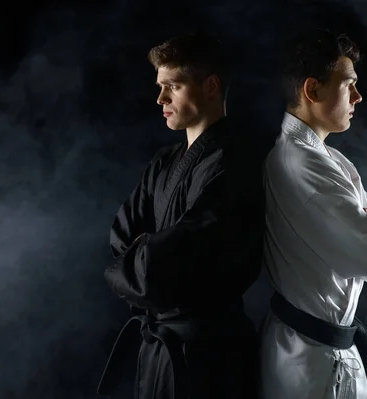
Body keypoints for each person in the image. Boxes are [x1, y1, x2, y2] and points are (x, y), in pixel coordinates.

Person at [98, 32, 264, 399]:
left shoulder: (237, 161)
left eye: (172, 85)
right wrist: (147, 257)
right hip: (160, 349)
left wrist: (147, 256)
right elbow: (120, 240)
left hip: (213, 358)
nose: (160, 98)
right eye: (160, 86)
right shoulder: (163, 163)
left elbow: (179, 257)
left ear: (210, 85)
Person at [259, 28, 367, 399]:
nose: (358, 97)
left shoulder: (322, 159)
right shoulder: (302, 165)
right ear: (312, 90)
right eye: (348, 85)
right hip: (312, 363)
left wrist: (363, 212)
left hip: (316, 350)